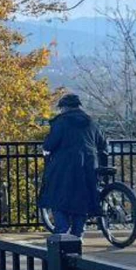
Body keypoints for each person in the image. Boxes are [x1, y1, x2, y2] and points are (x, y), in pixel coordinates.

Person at [40, 93, 109, 238]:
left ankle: (62, 230)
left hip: (64, 165)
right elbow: (103, 144)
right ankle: (78, 234)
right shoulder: (91, 122)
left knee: (57, 195)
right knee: (82, 198)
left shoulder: (61, 122)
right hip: (89, 165)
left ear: (64, 108)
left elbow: (49, 144)